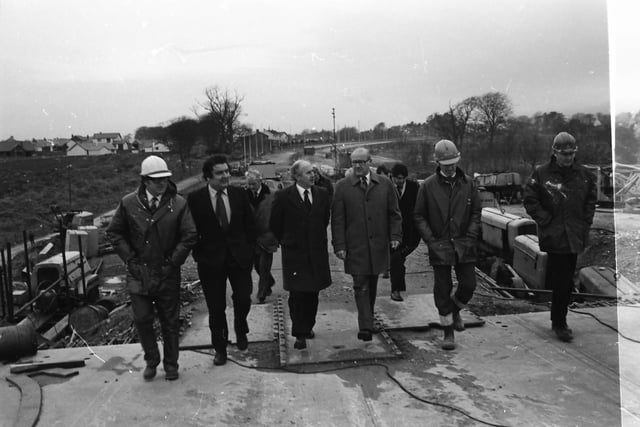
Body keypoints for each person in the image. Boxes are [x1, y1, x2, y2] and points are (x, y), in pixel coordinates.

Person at [107, 155, 197, 381]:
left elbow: (189, 235)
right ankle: (152, 360)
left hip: (167, 273)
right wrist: (129, 259)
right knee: (142, 319)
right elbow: (115, 232)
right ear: (144, 181)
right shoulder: (128, 203)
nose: (162, 183)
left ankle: (171, 365)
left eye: (165, 179)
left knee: (170, 321)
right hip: (139, 273)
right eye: (156, 180)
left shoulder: (178, 203)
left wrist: (173, 262)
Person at [523, 132, 597, 343]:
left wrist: (585, 222)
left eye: (571, 154)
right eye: (563, 154)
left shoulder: (583, 175)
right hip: (555, 236)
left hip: (574, 234)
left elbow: (591, 200)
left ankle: (559, 320)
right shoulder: (541, 174)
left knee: (566, 278)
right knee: (561, 280)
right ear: (554, 153)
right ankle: (559, 323)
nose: (567, 158)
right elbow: (530, 199)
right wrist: (545, 220)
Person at [187, 155, 256, 366]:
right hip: (210, 261)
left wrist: (250, 250)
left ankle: (241, 327)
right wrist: (199, 252)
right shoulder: (195, 199)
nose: (226, 176)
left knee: (243, 298)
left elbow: (250, 225)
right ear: (208, 177)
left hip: (238, 258)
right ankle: (220, 348)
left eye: (227, 171)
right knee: (216, 308)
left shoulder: (239, 194)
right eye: (220, 173)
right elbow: (190, 230)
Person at [413, 140, 481, 351]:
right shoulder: (428, 186)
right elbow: (418, 215)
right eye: (446, 164)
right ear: (438, 163)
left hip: (464, 243)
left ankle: (455, 309)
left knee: (468, 284)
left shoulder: (468, 184)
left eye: (453, 163)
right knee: (442, 288)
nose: (450, 168)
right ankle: (448, 332)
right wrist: (432, 241)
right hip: (440, 245)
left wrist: (470, 235)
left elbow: (477, 213)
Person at [331, 147, 402, 342]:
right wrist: (339, 245)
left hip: (378, 244)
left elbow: (394, 214)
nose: (357, 166)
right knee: (360, 283)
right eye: (354, 162)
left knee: (372, 282)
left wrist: (395, 235)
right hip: (356, 246)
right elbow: (337, 219)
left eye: (361, 162)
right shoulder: (342, 187)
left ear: (370, 162)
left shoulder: (385, 184)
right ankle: (365, 326)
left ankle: (367, 318)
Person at [270, 160, 332, 350]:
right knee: (297, 295)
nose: (312, 175)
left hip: (316, 253)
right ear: (296, 176)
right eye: (307, 173)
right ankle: (299, 333)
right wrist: (288, 241)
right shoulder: (283, 197)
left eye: (313, 172)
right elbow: (275, 224)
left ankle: (308, 326)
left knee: (312, 293)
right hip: (295, 254)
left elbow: (323, 221)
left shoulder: (322, 194)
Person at [389, 162, 420, 302]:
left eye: (402, 178)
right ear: (392, 177)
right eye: (397, 178)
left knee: (398, 259)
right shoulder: (387, 188)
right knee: (397, 258)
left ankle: (396, 285)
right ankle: (396, 290)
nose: (400, 181)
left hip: (411, 233)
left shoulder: (414, 188)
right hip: (392, 232)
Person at [245, 169, 277, 303]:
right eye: (249, 185)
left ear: (260, 181)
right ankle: (270, 282)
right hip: (251, 237)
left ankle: (261, 293)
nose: (251, 187)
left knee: (264, 266)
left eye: (253, 184)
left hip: (267, 236)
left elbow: (277, 215)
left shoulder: (272, 195)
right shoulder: (244, 196)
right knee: (257, 265)